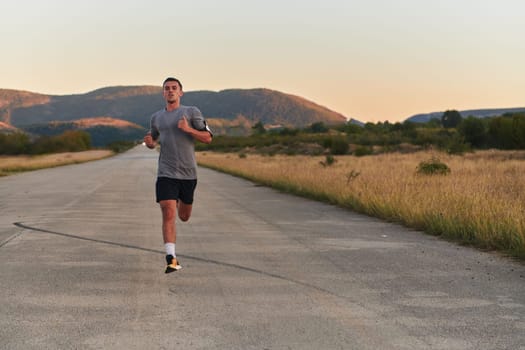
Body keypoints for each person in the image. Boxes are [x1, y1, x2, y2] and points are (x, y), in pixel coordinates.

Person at [144, 77, 213, 273]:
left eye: (174, 88)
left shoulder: (191, 112)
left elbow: (208, 138)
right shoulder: (156, 117)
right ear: (163, 93)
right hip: (166, 172)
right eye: (167, 88)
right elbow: (154, 139)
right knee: (168, 211)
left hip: (188, 174)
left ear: (181, 92)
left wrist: (188, 129)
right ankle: (171, 258)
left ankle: (184, 206)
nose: (170, 91)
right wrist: (150, 143)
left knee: (183, 216)